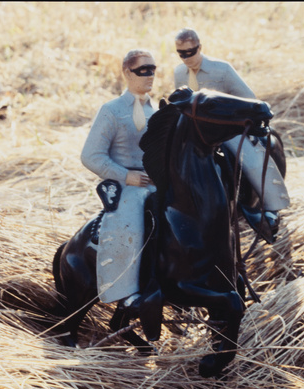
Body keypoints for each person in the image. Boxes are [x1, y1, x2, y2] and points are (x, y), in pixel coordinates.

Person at [173, 28, 290, 233]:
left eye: (191, 52)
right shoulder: (179, 73)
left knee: (250, 157)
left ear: (199, 47)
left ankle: (271, 210)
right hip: (199, 133)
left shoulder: (222, 69)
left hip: (227, 130)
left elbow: (248, 98)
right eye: (182, 54)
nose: (187, 58)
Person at [81, 49, 158, 321]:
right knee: (130, 222)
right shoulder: (111, 110)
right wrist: (126, 176)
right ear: (127, 73)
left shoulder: (157, 109)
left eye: (153, 69)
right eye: (143, 70)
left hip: (157, 182)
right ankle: (126, 292)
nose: (150, 75)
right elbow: (90, 155)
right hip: (129, 186)